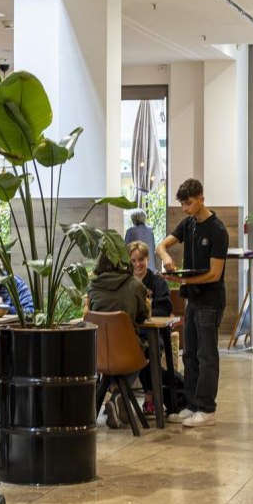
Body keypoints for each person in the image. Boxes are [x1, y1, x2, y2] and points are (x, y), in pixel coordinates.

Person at [156, 178, 229, 428]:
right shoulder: (188, 224)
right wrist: (166, 258)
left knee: (206, 354)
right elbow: (161, 244)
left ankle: (207, 408)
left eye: (189, 204)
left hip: (210, 300)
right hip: (193, 299)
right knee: (189, 354)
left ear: (201, 198)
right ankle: (191, 404)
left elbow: (214, 274)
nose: (185, 209)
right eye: (183, 205)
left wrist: (182, 278)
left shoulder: (217, 230)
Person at [87, 248, 150, 430]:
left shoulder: (92, 287)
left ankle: (114, 393)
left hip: (99, 355)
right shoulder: (135, 286)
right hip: (128, 355)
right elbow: (142, 317)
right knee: (143, 351)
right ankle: (117, 398)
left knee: (112, 355)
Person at [129, 240, 175, 415]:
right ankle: (121, 396)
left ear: (147, 259)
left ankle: (147, 397)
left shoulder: (158, 282)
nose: (137, 264)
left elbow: (164, 309)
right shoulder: (125, 283)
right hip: (129, 334)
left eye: (140, 259)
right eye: (133, 261)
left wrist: (140, 313)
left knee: (148, 349)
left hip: (154, 333)